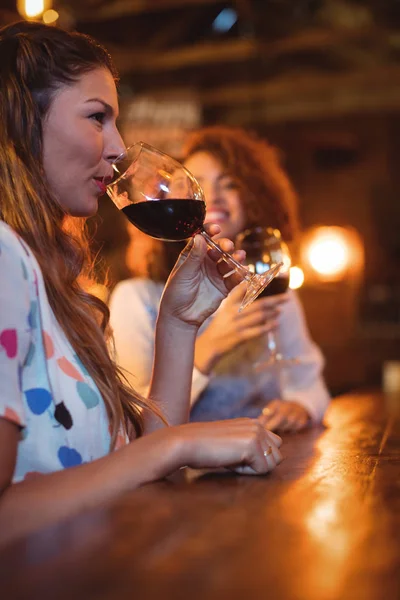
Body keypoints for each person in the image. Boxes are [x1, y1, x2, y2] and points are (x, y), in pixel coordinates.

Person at [0, 23, 283, 546]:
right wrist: (174, 448)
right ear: (22, 122)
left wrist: (178, 324)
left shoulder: (47, 279)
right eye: (96, 117)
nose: (117, 147)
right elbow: (152, 459)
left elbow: (128, 468)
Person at [109, 126, 330, 432]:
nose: (212, 197)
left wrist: (301, 406)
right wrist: (210, 346)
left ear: (255, 198)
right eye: (196, 184)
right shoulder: (137, 299)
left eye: (229, 185)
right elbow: (133, 424)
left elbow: (312, 386)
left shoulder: (271, 290)